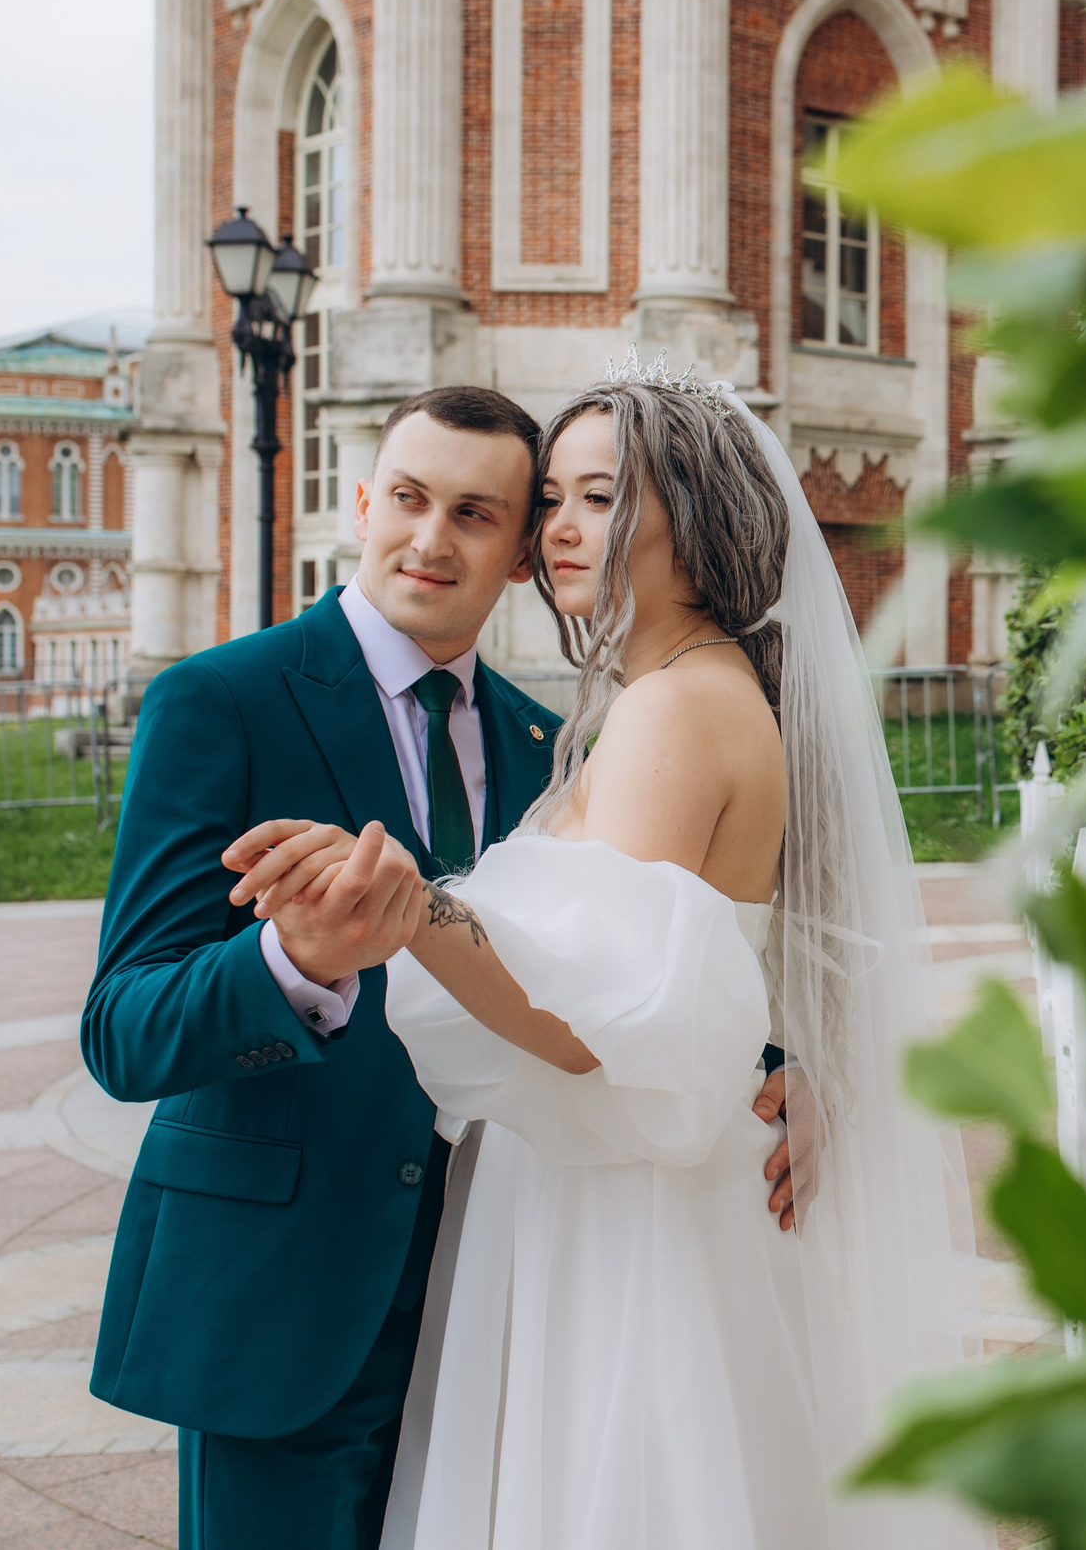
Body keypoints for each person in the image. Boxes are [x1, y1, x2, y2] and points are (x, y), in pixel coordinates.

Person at [223, 362, 984, 1550]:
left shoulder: (675, 707)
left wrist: (414, 908)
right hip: (623, 1180)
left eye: (601, 498)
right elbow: (704, 962)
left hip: (624, 1208)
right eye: (555, 504)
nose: (559, 532)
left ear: (701, 514)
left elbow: (598, 1026)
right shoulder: (661, 690)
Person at [80, 385, 790, 1549]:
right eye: (408, 499)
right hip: (288, 1301)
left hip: (496, 1300)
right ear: (363, 503)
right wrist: (289, 964)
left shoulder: (543, 737)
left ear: (519, 556)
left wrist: (767, 1063)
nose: (429, 538)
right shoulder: (221, 701)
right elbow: (122, 1027)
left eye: (477, 513)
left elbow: (620, 959)